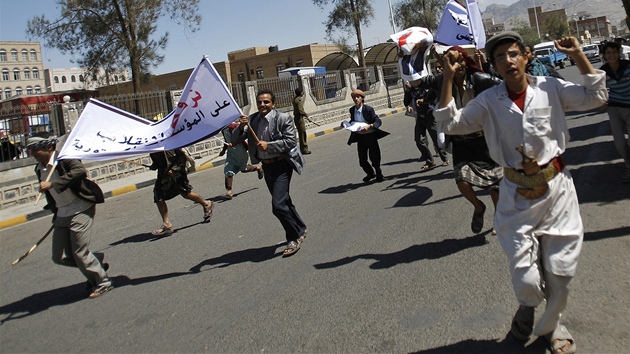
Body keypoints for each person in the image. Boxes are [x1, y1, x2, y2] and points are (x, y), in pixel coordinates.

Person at [434, 32, 608, 354]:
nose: (508, 61)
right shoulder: (488, 101)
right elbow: (449, 123)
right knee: (527, 279)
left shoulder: (551, 88)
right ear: (495, 66)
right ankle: (527, 307)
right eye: (500, 57)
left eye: (513, 54)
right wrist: (447, 77)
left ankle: (554, 326)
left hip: (557, 192)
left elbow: (596, 97)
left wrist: (579, 55)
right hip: (515, 195)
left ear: (526, 56)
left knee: (560, 270)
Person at [420, 46, 503, 234]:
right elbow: (417, 82)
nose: (460, 64)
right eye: (455, 61)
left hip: (484, 140)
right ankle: (478, 206)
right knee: (462, 182)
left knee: (494, 185)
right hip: (460, 142)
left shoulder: (480, 80)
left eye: (463, 60)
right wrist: (412, 56)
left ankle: (500, 217)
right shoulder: (442, 81)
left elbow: (504, 87)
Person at [26, 133, 113, 299]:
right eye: (31, 150)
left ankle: (103, 282)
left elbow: (80, 171)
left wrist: (53, 184)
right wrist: (55, 212)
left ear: (49, 147)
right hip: (62, 213)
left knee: (79, 253)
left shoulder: (65, 158)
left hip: (80, 208)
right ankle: (95, 261)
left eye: (36, 149)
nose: (33, 153)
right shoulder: (40, 169)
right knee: (58, 257)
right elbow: (50, 196)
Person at [233, 90, 307, 257]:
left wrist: (270, 145)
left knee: (278, 205)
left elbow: (290, 141)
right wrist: (242, 126)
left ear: (273, 104)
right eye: (259, 102)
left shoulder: (283, 118)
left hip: (282, 165)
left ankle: (293, 238)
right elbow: (234, 139)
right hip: (267, 167)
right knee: (284, 200)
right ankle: (301, 227)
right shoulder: (251, 120)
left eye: (266, 102)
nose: (262, 105)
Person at [149, 148, 214, 236]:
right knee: (158, 196)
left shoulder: (169, 143)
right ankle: (166, 224)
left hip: (177, 174)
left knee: (186, 193)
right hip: (163, 174)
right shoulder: (150, 145)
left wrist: (175, 169)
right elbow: (158, 160)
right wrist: (154, 165)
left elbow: (182, 157)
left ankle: (206, 203)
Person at [343, 89, 390, 182]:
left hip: (370, 136)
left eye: (358, 97)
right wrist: (346, 124)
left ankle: (378, 172)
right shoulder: (352, 110)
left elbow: (378, 121)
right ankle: (370, 173)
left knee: (374, 157)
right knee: (362, 160)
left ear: (362, 98)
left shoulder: (368, 109)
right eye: (354, 97)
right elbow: (353, 121)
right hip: (360, 137)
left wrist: (369, 126)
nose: (356, 99)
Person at [600, 41, 630, 183]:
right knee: (619, 143)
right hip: (614, 109)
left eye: (614, 52)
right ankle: (628, 166)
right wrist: (601, 102)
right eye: (608, 53)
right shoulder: (603, 72)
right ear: (604, 56)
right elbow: (600, 91)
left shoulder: (628, 66)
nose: (611, 55)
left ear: (618, 53)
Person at [404, 82, 448, 171]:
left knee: (436, 138)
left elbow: (434, 98)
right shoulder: (412, 89)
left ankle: (444, 158)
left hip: (430, 116)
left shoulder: (426, 85)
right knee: (418, 140)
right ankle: (429, 161)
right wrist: (407, 91)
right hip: (420, 117)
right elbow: (406, 102)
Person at [219, 122, 264, 199]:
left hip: (240, 150)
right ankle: (229, 192)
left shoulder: (233, 126)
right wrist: (223, 151)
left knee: (244, 169)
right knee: (228, 170)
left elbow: (242, 138)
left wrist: (235, 144)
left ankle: (258, 168)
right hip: (231, 152)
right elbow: (226, 141)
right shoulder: (223, 129)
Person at [292, 88, 313, 155]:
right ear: (300, 93)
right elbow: (300, 110)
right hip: (299, 118)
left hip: (297, 117)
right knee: (302, 133)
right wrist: (307, 116)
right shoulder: (299, 100)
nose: (303, 92)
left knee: (301, 133)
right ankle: (304, 149)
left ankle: (302, 148)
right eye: (302, 91)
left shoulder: (294, 99)